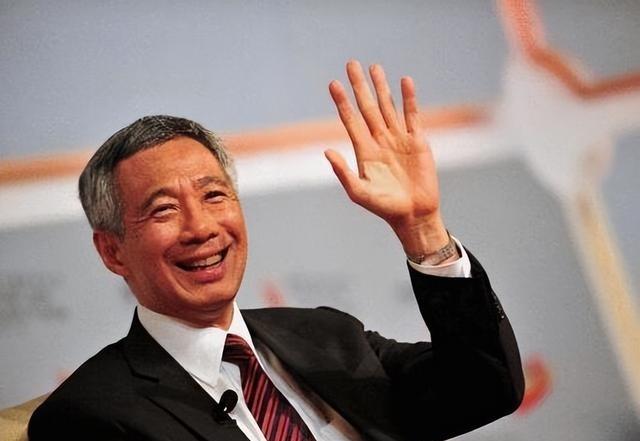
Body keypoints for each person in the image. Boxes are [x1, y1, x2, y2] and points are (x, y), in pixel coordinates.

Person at [28, 61, 524, 441]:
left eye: (214, 196)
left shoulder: (328, 338)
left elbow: (483, 390)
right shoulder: (90, 413)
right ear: (112, 251)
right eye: (164, 210)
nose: (201, 228)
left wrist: (422, 227)